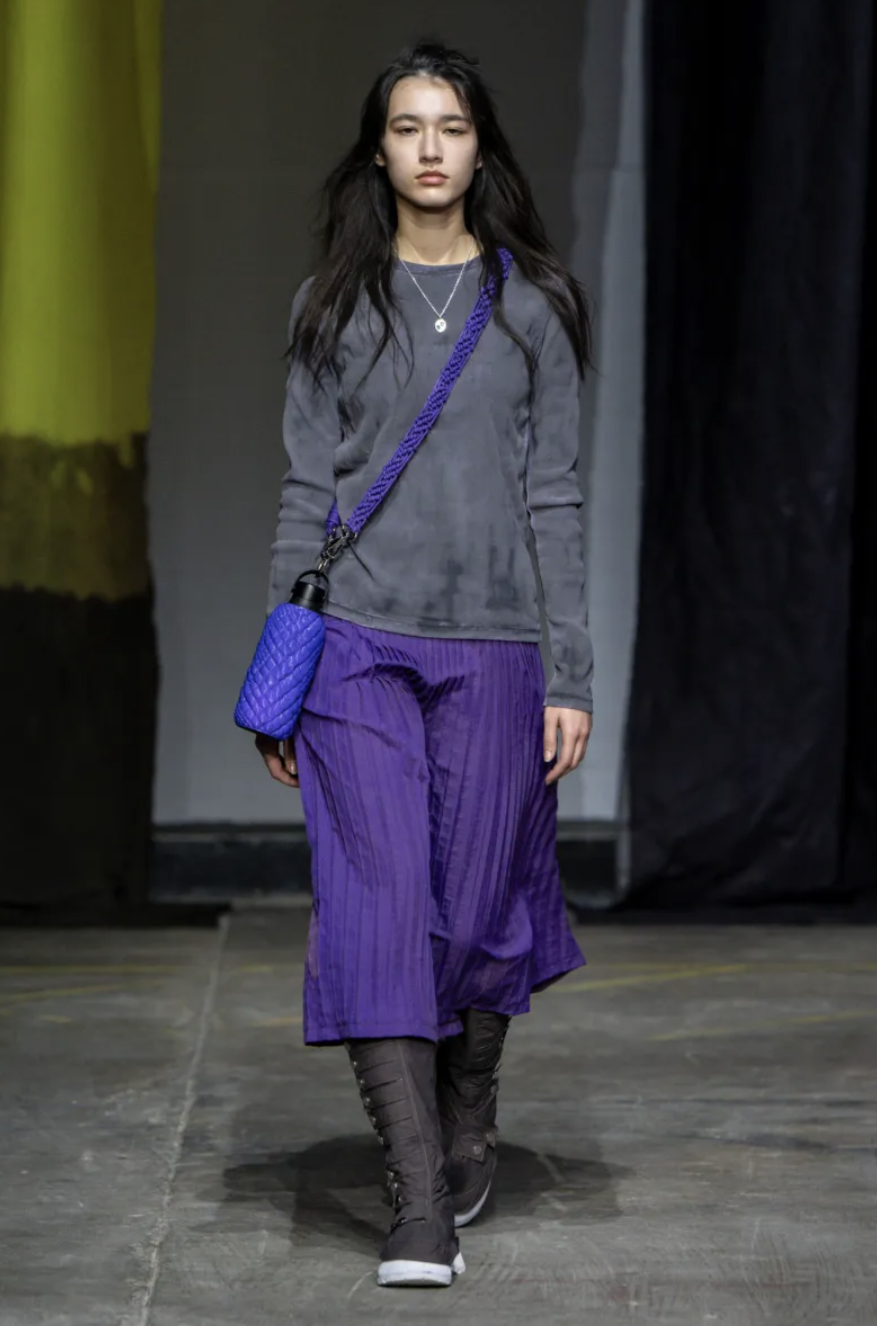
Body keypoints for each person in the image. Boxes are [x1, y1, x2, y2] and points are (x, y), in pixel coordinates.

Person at [253, 38, 594, 1289]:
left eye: (451, 126)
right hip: (357, 646)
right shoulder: (331, 305)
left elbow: (554, 498)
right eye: (408, 127)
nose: (431, 148)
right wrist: (284, 667)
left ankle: (469, 1101)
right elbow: (307, 494)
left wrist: (570, 673)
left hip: (496, 650)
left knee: (483, 903)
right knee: (378, 904)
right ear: (379, 151)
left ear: (480, 148)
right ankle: (416, 1201)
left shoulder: (533, 307)